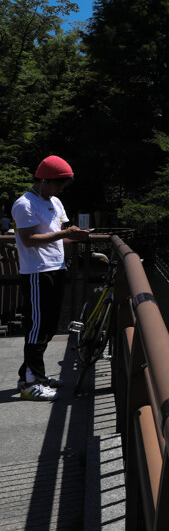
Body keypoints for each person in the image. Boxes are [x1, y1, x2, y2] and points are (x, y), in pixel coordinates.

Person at [12, 155, 92, 401]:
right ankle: (29, 384)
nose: (62, 188)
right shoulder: (24, 204)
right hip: (37, 271)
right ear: (44, 180)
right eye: (59, 183)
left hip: (56, 268)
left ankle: (36, 376)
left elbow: (59, 234)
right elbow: (28, 240)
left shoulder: (55, 201)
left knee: (48, 327)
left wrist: (74, 235)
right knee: (36, 328)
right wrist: (64, 233)